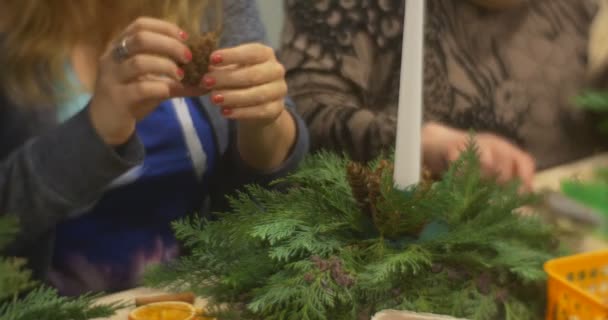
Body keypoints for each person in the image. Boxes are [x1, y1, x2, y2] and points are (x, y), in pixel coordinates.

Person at [0, 0, 308, 296]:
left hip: (203, 299)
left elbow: (267, 205)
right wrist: (94, 133)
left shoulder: (212, 7)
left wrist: (264, 121)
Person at [280, 0, 606, 189]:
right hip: (401, 245)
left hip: (568, 236)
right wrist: (415, 142)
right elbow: (300, 110)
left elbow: (590, 114)